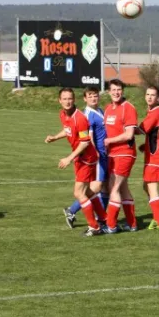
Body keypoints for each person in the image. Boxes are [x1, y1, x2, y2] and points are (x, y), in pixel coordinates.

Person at [45, 88, 108, 237]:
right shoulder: (63, 114)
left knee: (78, 193)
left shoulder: (80, 118)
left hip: (86, 158)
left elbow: (85, 142)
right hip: (81, 158)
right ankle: (103, 219)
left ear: (74, 100)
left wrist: (69, 158)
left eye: (70, 99)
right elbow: (67, 130)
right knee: (87, 192)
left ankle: (94, 227)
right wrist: (55, 137)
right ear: (59, 101)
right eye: (64, 99)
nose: (67, 101)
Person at [62, 87, 109, 228]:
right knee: (97, 186)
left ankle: (102, 218)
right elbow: (88, 138)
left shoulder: (100, 111)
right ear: (84, 99)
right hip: (95, 156)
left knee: (106, 187)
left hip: (106, 154)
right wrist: (96, 152)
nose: (93, 98)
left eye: (95, 95)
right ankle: (73, 211)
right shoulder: (87, 115)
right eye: (90, 96)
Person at [102, 79, 139, 234]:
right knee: (123, 189)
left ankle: (110, 225)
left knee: (114, 187)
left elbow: (129, 134)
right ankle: (132, 224)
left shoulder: (128, 108)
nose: (116, 92)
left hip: (124, 153)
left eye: (119, 90)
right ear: (109, 92)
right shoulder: (108, 108)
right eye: (113, 90)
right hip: (112, 154)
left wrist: (110, 141)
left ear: (122, 91)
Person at [137, 85, 159, 233]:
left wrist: (124, 127)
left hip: (156, 157)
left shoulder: (155, 112)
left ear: (158, 98)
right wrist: (146, 145)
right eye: (148, 94)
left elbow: (140, 129)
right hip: (157, 154)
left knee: (152, 187)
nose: (150, 97)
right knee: (147, 186)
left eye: (153, 95)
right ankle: (156, 217)